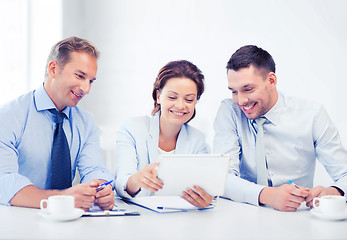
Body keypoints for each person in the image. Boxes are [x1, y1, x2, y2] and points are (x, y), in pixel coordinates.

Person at [213, 45, 347, 212]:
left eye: (248, 89)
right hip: (243, 216)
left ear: (271, 81)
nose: (241, 100)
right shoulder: (229, 112)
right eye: (234, 91)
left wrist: (333, 192)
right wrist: (268, 195)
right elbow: (221, 177)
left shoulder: (312, 115)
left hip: (298, 218)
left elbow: (344, 173)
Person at [0, 36, 114, 211]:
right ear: (53, 69)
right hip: (18, 219)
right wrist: (61, 199)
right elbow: (4, 181)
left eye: (90, 81)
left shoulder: (86, 122)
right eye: (80, 76)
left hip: (69, 221)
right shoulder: (9, 116)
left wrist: (101, 188)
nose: (86, 89)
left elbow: (94, 168)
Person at [114, 60, 213, 208]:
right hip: (138, 217)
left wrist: (205, 197)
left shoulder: (198, 140)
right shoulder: (132, 128)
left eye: (189, 99)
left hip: (180, 219)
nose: (180, 105)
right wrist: (136, 180)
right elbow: (121, 183)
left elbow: (207, 186)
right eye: (172, 97)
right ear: (158, 96)